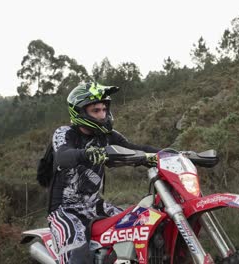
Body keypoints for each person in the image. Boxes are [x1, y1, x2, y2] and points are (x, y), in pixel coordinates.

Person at [47, 82, 160, 264]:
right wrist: (86, 153)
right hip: (65, 210)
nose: (102, 114)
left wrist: (168, 154)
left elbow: (134, 149)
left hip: (95, 205)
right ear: (81, 111)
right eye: (96, 110)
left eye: (104, 109)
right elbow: (62, 156)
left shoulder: (107, 136)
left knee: (142, 228)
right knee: (78, 257)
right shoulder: (66, 133)